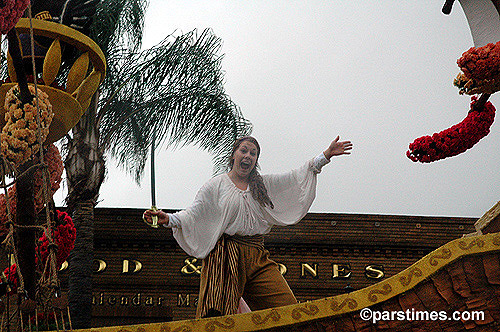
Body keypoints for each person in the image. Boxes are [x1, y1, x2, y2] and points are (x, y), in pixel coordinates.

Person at [143, 136, 352, 318]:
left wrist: (325, 156)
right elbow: (194, 213)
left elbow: (295, 178)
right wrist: (168, 219)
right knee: (218, 314)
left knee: (287, 307)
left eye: (253, 153)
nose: (248, 156)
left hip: (256, 254)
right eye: (244, 150)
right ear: (233, 155)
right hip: (226, 256)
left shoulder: (263, 185)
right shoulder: (216, 186)